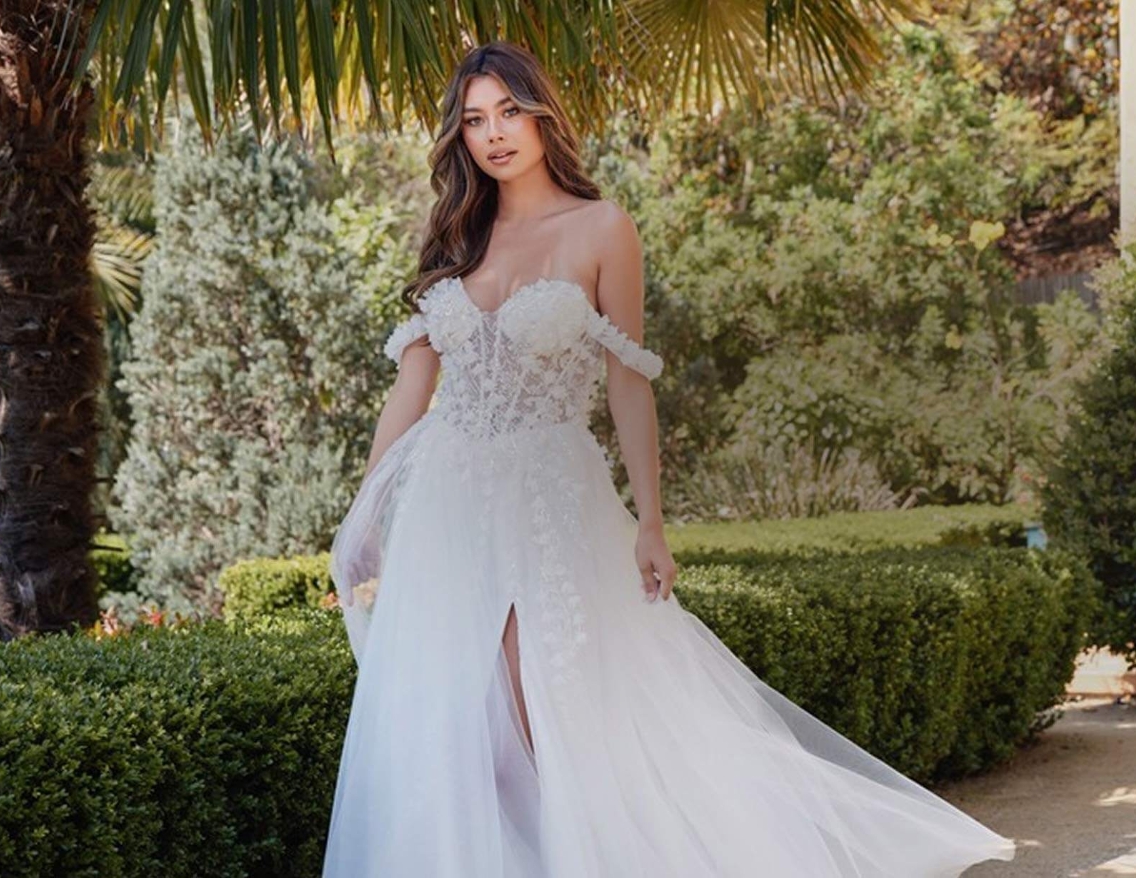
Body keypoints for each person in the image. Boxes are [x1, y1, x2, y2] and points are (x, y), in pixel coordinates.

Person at [319, 41, 1018, 877]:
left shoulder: (602, 227)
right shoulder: (455, 238)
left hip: (550, 494)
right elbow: (411, 390)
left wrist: (651, 520)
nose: (494, 134)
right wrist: (365, 518)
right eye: (474, 120)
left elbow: (629, 385)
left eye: (509, 111)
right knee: (457, 711)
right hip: (446, 501)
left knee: (544, 689)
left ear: (543, 116)